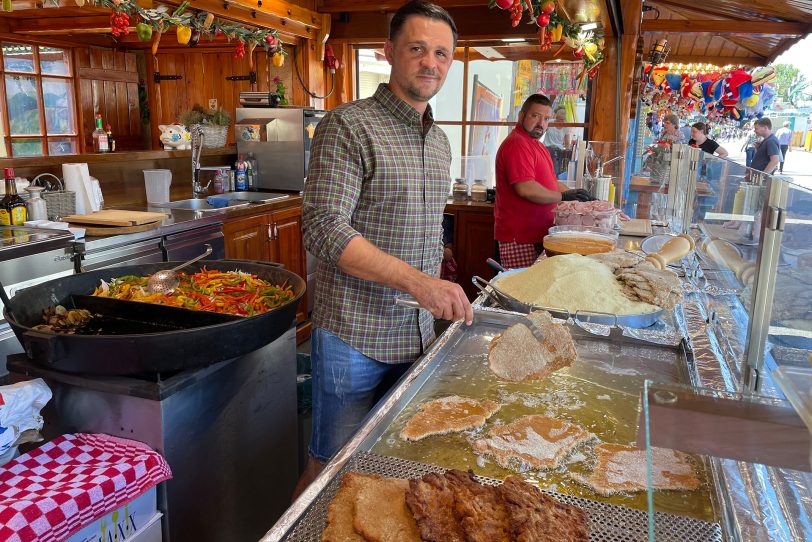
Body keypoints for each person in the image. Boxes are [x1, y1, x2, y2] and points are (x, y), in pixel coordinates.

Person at [295, 0, 471, 496]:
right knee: (329, 473)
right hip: (354, 334)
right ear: (390, 52)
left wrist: (439, 257)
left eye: (441, 53)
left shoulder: (439, 141)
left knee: (392, 471)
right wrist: (418, 281)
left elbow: (418, 221)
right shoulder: (347, 126)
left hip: (415, 334)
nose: (430, 62)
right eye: (417, 49)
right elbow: (324, 229)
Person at [494, 94, 593, 269]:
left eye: (546, 118)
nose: (541, 123)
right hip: (520, 238)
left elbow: (551, 183)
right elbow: (526, 188)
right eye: (535, 116)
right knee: (521, 292)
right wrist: (563, 196)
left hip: (539, 234)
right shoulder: (517, 143)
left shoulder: (537, 145)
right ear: (521, 116)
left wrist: (578, 199)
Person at [543, 106, 572, 175]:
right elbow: (540, 133)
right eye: (559, 119)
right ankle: (554, 176)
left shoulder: (566, 126)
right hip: (547, 148)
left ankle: (555, 176)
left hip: (558, 150)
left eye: (563, 120)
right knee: (553, 152)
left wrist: (567, 152)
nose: (561, 121)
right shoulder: (549, 123)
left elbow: (567, 143)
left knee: (557, 156)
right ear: (556, 118)